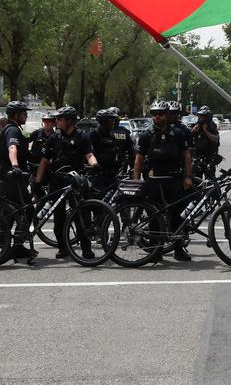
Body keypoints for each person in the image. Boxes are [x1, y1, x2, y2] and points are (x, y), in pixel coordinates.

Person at [35, 105, 101, 259]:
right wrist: (38, 181)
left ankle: (86, 248)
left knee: (81, 216)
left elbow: (89, 154)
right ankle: (63, 248)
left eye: (59, 119)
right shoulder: (54, 138)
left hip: (76, 181)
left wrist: (94, 164)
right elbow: (44, 161)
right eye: (56, 119)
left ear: (69, 121)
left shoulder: (82, 136)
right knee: (58, 218)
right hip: (57, 181)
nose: (56, 121)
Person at [134, 99, 193, 262]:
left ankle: (178, 249)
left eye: (160, 114)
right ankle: (156, 251)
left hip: (174, 179)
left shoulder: (178, 134)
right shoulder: (146, 135)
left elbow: (187, 156)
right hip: (154, 180)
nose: (156, 117)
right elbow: (138, 160)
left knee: (177, 216)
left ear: (166, 115)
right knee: (154, 216)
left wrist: (188, 177)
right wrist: (136, 181)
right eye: (154, 114)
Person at [0, 100, 36, 263]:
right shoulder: (12, 130)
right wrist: (15, 166)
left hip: (11, 178)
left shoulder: (13, 129)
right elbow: (12, 148)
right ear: (15, 115)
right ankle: (16, 247)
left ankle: (9, 246)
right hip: (12, 178)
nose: (26, 115)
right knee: (26, 210)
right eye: (23, 113)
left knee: (12, 213)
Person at [90, 109, 135, 192]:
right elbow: (132, 153)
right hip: (107, 171)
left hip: (113, 172)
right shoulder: (123, 132)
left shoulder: (97, 133)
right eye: (110, 120)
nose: (112, 123)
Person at [191, 106, 220, 175]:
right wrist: (192, 131)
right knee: (197, 180)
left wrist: (206, 131)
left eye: (202, 116)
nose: (200, 118)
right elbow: (189, 139)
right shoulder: (197, 125)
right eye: (199, 116)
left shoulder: (212, 126)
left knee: (210, 180)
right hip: (198, 157)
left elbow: (216, 140)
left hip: (209, 157)